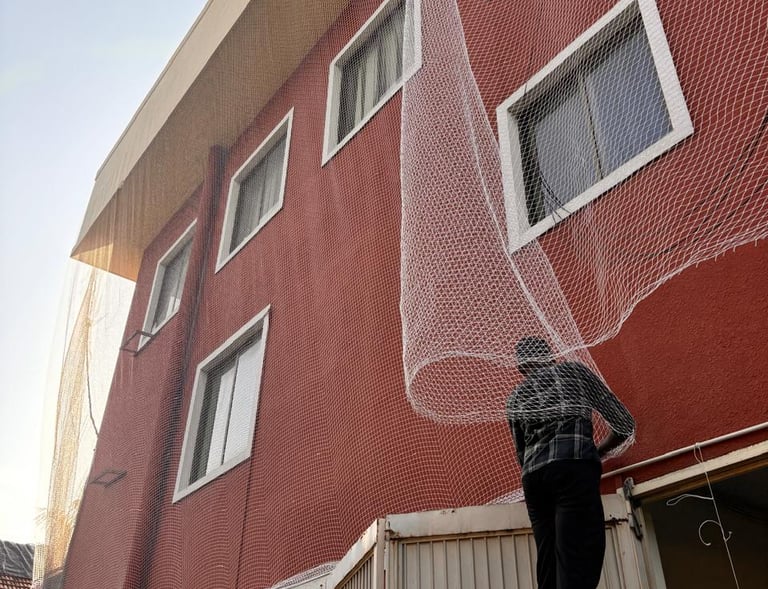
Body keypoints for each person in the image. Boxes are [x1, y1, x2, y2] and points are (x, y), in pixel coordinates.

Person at [506, 336, 635, 589]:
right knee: (579, 551)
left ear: (521, 367)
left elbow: (521, 455)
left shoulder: (515, 398)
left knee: (548, 555)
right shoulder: (574, 373)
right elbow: (623, 423)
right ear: (550, 356)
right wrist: (598, 450)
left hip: (534, 479)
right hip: (572, 466)